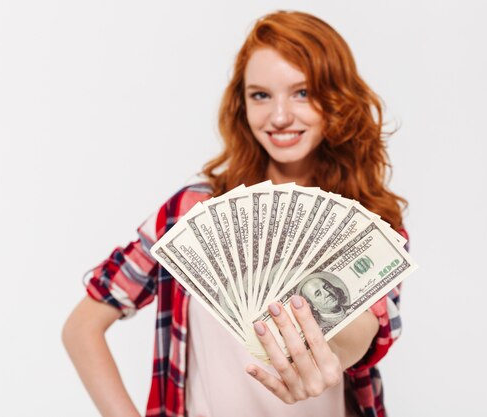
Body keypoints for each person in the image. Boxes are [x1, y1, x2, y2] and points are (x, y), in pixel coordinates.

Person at [62, 10, 409, 417]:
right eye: (260, 95)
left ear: (336, 99)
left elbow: (366, 332)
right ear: (241, 105)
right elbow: (82, 328)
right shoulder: (192, 212)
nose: (279, 116)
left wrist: (329, 357)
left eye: (302, 92)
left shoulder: (371, 222)